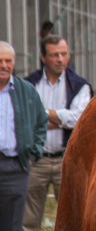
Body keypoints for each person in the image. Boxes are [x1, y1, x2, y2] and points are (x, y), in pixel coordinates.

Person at [23, 35, 91, 231]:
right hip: (36, 160)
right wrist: (62, 121)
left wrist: (42, 113)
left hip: (67, 159)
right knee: (28, 221)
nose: (61, 59)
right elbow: (23, 121)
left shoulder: (80, 85)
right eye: (54, 55)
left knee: (71, 219)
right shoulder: (29, 84)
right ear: (43, 57)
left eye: (64, 54)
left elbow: (79, 120)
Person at [0, 42, 47, 231]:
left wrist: (33, 155)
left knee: (12, 224)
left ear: (14, 63)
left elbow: (41, 122)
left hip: (15, 168)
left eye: (8, 61)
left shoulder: (26, 91)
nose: (4, 65)